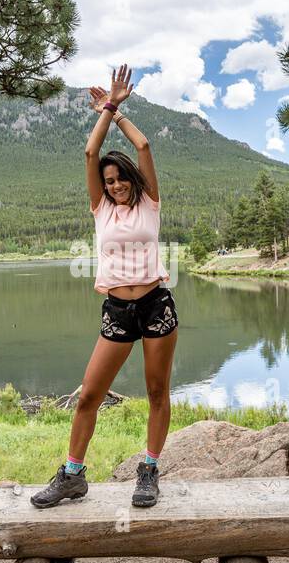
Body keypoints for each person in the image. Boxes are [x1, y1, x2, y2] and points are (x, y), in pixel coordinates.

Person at [31, 65, 179, 509]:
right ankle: (73, 475)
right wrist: (106, 107)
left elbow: (144, 144)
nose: (113, 186)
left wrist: (119, 114)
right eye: (109, 181)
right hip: (117, 310)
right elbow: (89, 153)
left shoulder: (150, 203)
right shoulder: (101, 209)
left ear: (133, 180)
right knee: (89, 395)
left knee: (157, 392)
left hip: (156, 305)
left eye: (120, 180)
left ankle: (149, 471)